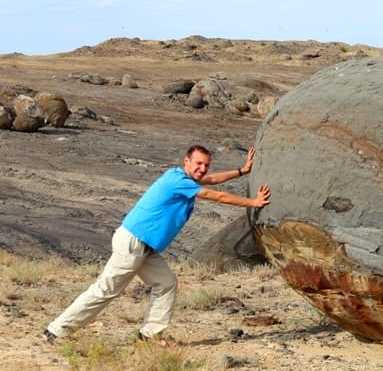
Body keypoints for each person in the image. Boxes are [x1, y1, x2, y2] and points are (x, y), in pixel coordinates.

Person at [42, 145, 270, 344]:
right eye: (198, 163)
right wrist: (254, 202)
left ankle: (150, 334)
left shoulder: (180, 177)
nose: (203, 169)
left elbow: (209, 180)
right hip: (133, 243)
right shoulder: (178, 181)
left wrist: (242, 171)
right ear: (186, 161)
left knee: (166, 283)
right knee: (105, 290)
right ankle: (56, 331)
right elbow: (216, 195)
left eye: (206, 165)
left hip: (145, 247)